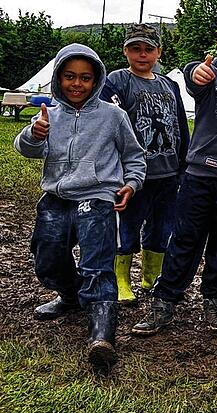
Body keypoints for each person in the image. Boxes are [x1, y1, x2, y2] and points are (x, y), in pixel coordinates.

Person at [14, 43, 146, 372]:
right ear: (58, 78)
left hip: (98, 196)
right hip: (57, 197)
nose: (77, 84)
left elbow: (134, 157)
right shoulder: (49, 115)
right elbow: (25, 148)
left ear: (96, 79)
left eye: (85, 78)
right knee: (47, 258)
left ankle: (102, 338)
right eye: (70, 76)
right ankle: (70, 297)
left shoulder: (113, 116)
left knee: (97, 265)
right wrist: (34, 133)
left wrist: (130, 184)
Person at [131, 17, 217, 335]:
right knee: (186, 240)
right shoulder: (210, 73)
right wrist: (197, 72)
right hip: (200, 175)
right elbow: (193, 77)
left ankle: (214, 302)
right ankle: (165, 301)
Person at [100, 23, 190, 305]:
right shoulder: (115, 81)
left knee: (162, 227)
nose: (142, 54)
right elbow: (109, 125)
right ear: (125, 50)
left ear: (158, 52)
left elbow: (180, 125)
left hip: (168, 171)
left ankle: (152, 276)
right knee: (126, 228)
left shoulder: (170, 85)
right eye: (135, 48)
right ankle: (121, 279)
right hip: (131, 174)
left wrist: (183, 163)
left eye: (148, 49)